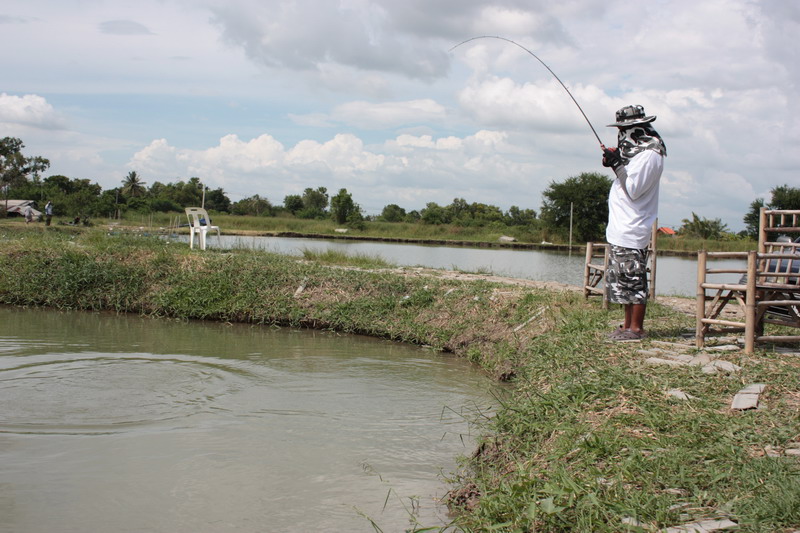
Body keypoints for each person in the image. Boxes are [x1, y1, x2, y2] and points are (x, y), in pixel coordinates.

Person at [601, 105, 667, 341]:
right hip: (622, 229)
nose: (622, 134)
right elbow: (627, 180)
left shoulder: (650, 155)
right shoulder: (637, 156)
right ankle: (627, 325)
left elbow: (634, 190)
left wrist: (617, 164)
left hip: (633, 228)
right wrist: (615, 163)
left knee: (634, 281)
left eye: (625, 129)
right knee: (623, 284)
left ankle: (636, 329)